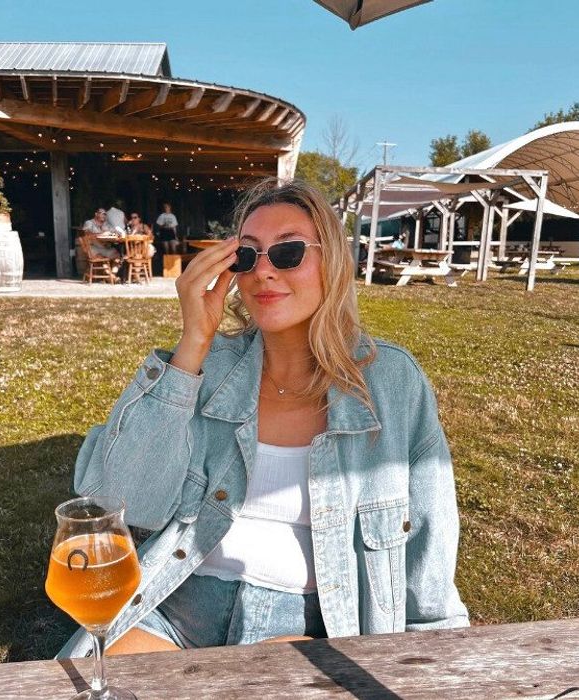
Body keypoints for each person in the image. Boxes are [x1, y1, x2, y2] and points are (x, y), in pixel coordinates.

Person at [58, 178, 467, 659]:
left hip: (300, 621)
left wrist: (437, 650)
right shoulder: (205, 367)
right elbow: (119, 501)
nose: (263, 272)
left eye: (289, 252)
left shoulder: (392, 383)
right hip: (173, 604)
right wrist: (192, 345)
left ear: (332, 263)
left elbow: (428, 529)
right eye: (247, 256)